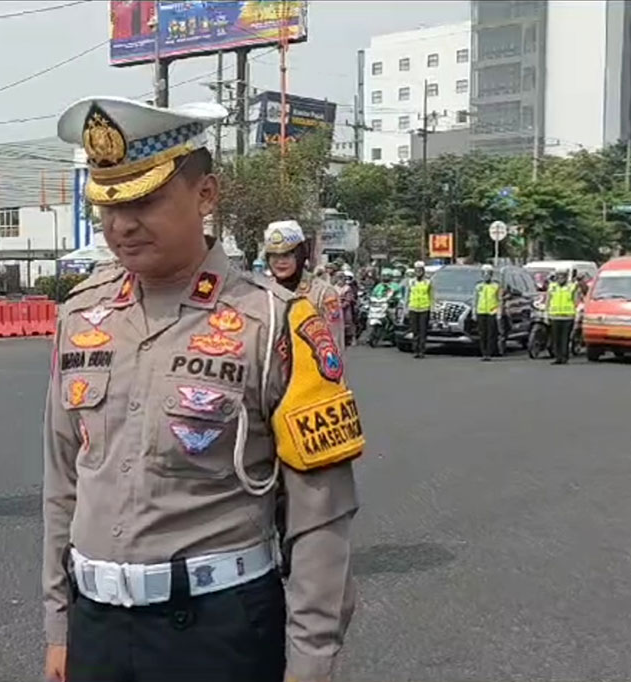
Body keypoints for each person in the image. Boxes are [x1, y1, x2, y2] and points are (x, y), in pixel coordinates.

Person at [44, 95, 362, 682]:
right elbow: (64, 480)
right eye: (107, 203)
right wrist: (60, 625)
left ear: (205, 194)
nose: (121, 224)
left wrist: (312, 663)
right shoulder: (81, 317)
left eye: (144, 199)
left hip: (217, 633)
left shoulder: (275, 322)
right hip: (97, 629)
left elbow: (320, 516)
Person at [263, 219, 345, 350]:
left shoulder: (323, 293)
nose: (280, 262)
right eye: (274, 256)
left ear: (300, 255)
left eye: (287, 255)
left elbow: (334, 347)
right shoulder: (262, 292)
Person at [547, 266, 580, 365]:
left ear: (566, 278)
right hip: (554, 316)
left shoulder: (572, 287)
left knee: (565, 338)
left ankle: (564, 357)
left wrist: (576, 314)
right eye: (559, 276)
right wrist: (546, 313)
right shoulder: (552, 287)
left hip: (568, 316)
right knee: (556, 338)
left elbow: (576, 301)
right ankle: (557, 357)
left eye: (562, 277)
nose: (560, 278)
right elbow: (548, 300)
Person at [405, 261, 433, 358]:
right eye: (416, 270)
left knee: (423, 331)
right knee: (415, 331)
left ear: (423, 271)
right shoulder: (411, 282)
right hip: (413, 308)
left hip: (424, 309)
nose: (418, 272)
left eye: (420, 270)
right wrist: (405, 308)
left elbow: (432, 296)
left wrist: (432, 309)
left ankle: (422, 351)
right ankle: (415, 350)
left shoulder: (428, 282)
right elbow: (407, 296)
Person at [474, 264, 501, 361]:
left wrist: (498, 313)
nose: (486, 275)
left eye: (488, 273)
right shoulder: (478, 286)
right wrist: (474, 312)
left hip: (492, 312)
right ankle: (483, 353)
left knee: (491, 334)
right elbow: (475, 299)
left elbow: (499, 300)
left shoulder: (496, 286)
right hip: (481, 311)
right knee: (482, 333)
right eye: (484, 273)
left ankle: (489, 353)